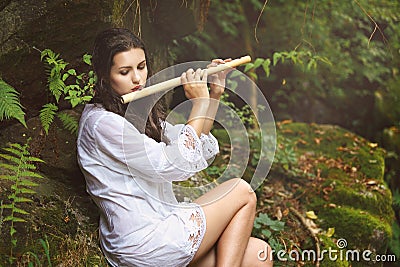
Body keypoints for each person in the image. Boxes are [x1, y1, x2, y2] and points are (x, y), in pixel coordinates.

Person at [77, 27, 273, 267]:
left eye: (141, 67)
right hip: (142, 241)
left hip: (163, 224)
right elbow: (173, 163)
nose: (137, 79)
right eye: (125, 72)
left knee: (257, 253)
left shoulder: (136, 111)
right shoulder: (102, 123)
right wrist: (198, 104)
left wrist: (214, 94)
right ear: (104, 76)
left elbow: (192, 140)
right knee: (241, 191)